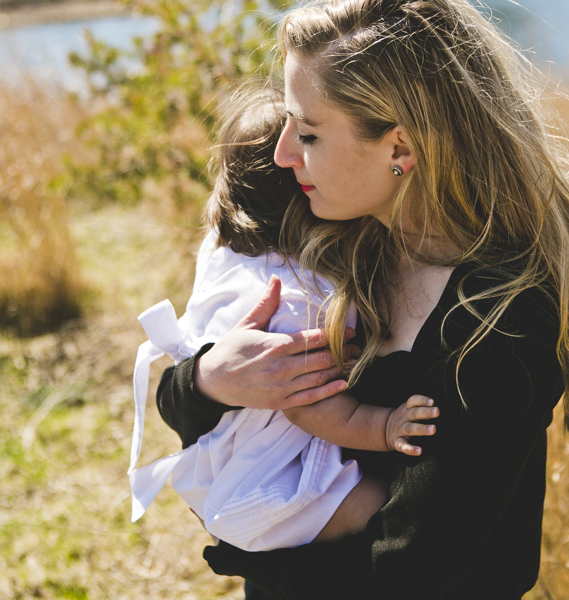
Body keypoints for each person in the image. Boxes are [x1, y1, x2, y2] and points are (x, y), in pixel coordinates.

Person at [157, 0, 569, 597]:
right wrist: (206, 380)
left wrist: (247, 557)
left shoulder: (501, 318)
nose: (283, 155)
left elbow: (415, 573)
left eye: (308, 132)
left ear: (399, 150)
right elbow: (188, 407)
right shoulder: (334, 244)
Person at [129, 84, 439, 552]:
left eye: (310, 137)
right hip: (271, 485)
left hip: (220, 470)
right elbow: (305, 401)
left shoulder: (221, 252)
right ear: (306, 194)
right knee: (380, 507)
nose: (292, 150)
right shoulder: (300, 300)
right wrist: (383, 426)